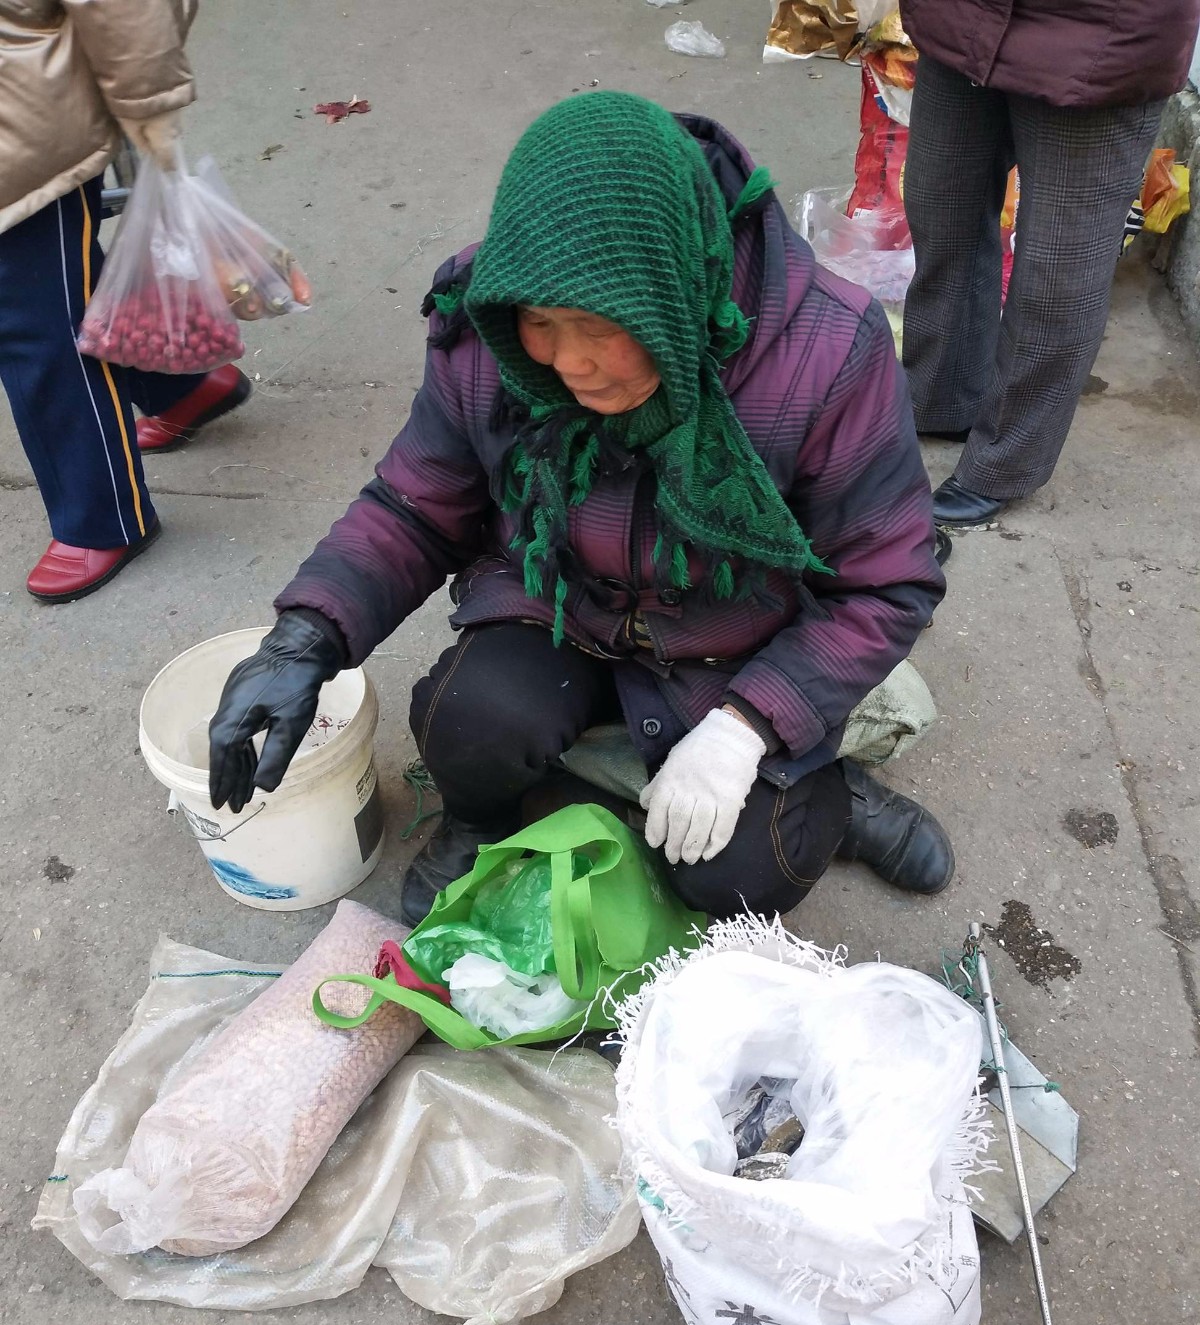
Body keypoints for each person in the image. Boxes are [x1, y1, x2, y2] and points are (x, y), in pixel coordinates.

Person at [206, 91, 953, 924]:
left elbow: (885, 587)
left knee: (741, 878)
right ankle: (480, 821)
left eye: (601, 325)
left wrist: (749, 727)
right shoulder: (484, 325)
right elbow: (416, 504)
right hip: (559, 601)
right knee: (465, 724)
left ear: (670, 291)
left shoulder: (827, 350)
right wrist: (306, 638)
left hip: (735, 643)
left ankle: (833, 789)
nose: (569, 363)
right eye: (540, 321)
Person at [899, 0, 1200, 525]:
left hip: (1100, 35)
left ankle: (1004, 461)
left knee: (1060, 268)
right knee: (941, 209)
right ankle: (943, 398)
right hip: (962, 19)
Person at [0, 0, 250, 602]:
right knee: (52, 296)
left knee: (37, 322)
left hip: (24, 130)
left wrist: (152, 116)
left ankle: (102, 515)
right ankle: (179, 387)